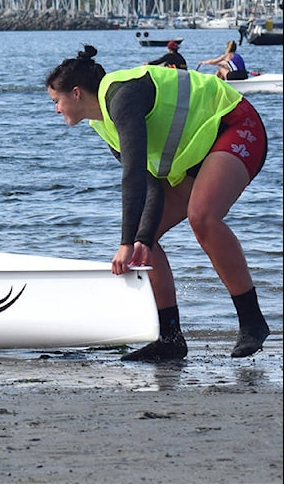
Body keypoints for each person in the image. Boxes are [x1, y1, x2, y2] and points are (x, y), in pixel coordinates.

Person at [45, 44, 269, 362]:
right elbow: (150, 184)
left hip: (235, 124)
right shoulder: (102, 123)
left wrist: (124, 244)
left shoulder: (122, 97)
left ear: (77, 93)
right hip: (197, 152)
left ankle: (252, 322)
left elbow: (133, 176)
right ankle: (171, 338)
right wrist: (137, 239)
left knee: (202, 217)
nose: (56, 109)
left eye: (57, 101)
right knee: (144, 239)